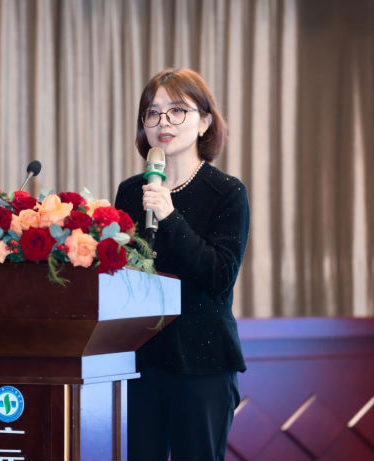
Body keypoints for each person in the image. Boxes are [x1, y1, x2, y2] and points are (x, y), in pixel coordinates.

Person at [114, 68, 249, 461]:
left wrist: (169, 216)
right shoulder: (130, 191)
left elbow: (219, 276)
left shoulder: (226, 192)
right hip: (140, 359)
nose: (163, 122)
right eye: (152, 112)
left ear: (204, 122)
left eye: (177, 111)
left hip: (202, 363)